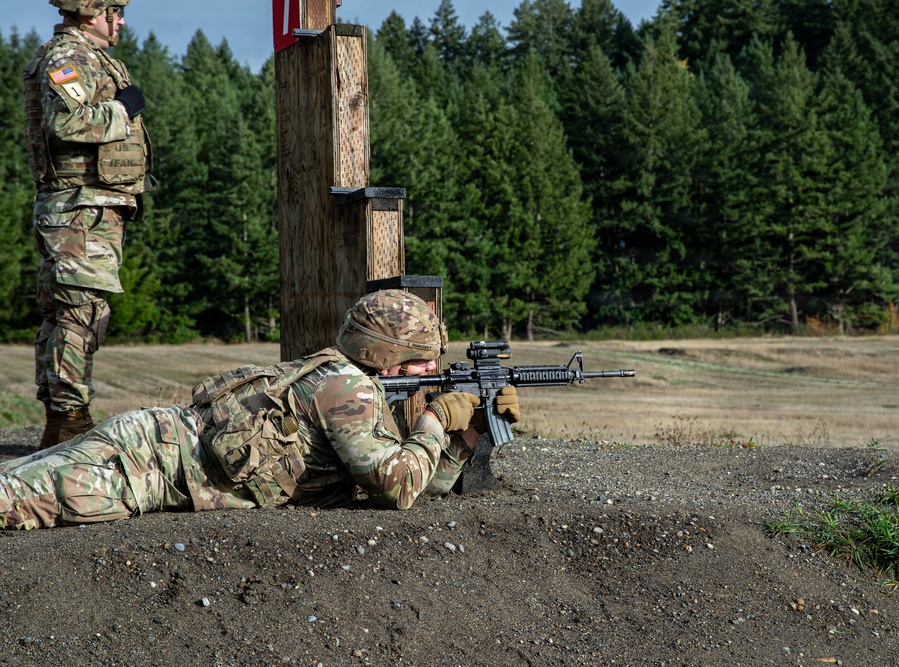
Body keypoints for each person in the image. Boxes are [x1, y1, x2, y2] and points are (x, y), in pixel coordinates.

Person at [0, 290, 521, 530]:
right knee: (11, 501)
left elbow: (421, 481)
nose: (425, 372)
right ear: (387, 355)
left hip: (148, 444)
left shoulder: (343, 376)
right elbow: (396, 487)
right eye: (418, 361)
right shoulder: (348, 391)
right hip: (146, 467)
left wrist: (467, 435)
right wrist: (435, 423)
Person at [24, 0, 152, 448]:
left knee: (66, 314)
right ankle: (68, 421)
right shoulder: (68, 56)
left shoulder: (87, 56)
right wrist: (121, 110)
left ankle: (65, 419)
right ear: (90, 11)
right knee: (79, 315)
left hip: (85, 206)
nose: (120, 20)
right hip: (78, 208)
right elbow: (66, 122)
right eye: (113, 9)